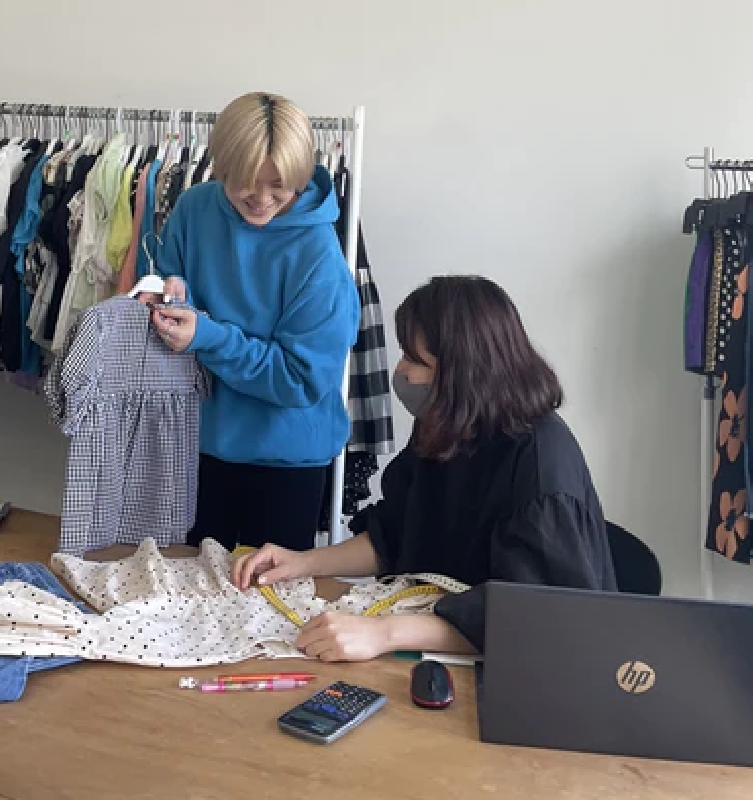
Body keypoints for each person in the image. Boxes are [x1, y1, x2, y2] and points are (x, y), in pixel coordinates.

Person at [232, 275, 618, 661]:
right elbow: (394, 536)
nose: (402, 371)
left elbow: (539, 620)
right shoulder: (447, 426)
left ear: (465, 372)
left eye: (416, 361)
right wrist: (302, 562)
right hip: (439, 636)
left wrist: (385, 634)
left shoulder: (541, 467)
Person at [151, 92, 360, 553]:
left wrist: (206, 336)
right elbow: (168, 278)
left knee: (268, 594)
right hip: (195, 444)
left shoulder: (319, 256)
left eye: (279, 186)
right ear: (222, 166)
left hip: (285, 460)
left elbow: (300, 380)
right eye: (246, 182)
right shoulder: (194, 208)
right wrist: (166, 297)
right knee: (184, 585)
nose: (262, 199)